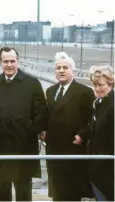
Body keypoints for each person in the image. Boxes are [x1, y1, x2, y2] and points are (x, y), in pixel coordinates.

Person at [0, 47, 48, 201]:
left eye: (12, 61)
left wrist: (28, 129)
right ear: (0, 62)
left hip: (24, 146)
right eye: (5, 61)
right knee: (0, 191)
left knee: (23, 192)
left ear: (17, 61)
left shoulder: (32, 83)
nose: (9, 65)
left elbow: (41, 113)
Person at [43, 52, 95, 201]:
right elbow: (48, 116)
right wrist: (43, 131)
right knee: (57, 189)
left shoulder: (84, 92)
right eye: (58, 68)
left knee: (72, 191)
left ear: (73, 71)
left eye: (65, 67)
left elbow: (92, 119)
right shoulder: (50, 91)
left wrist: (81, 136)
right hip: (53, 148)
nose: (61, 70)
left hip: (73, 147)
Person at [88, 65, 114, 201]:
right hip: (98, 164)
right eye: (95, 85)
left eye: (101, 85)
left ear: (111, 83)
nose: (97, 89)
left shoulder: (113, 106)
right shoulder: (98, 103)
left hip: (108, 167)